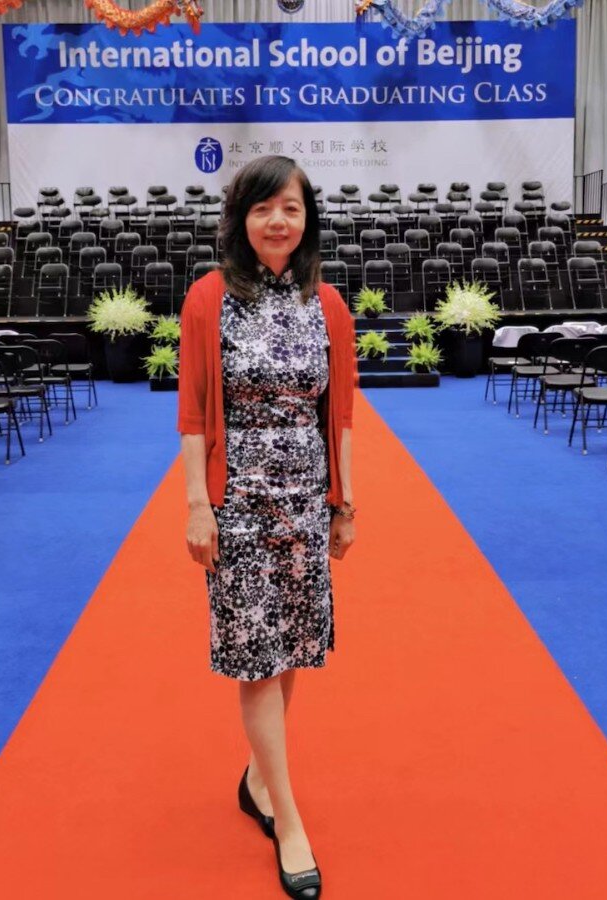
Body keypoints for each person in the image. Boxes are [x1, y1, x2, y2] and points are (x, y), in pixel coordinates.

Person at [177, 154, 356, 899]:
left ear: (306, 217)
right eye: (261, 209)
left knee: (291, 652)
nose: (276, 221)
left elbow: (338, 410)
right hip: (241, 503)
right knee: (255, 658)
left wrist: (345, 502)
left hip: (306, 502)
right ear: (240, 221)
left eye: (289, 207)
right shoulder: (208, 299)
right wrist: (196, 501)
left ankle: (256, 778)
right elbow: (192, 412)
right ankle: (287, 820)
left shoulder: (329, 304)